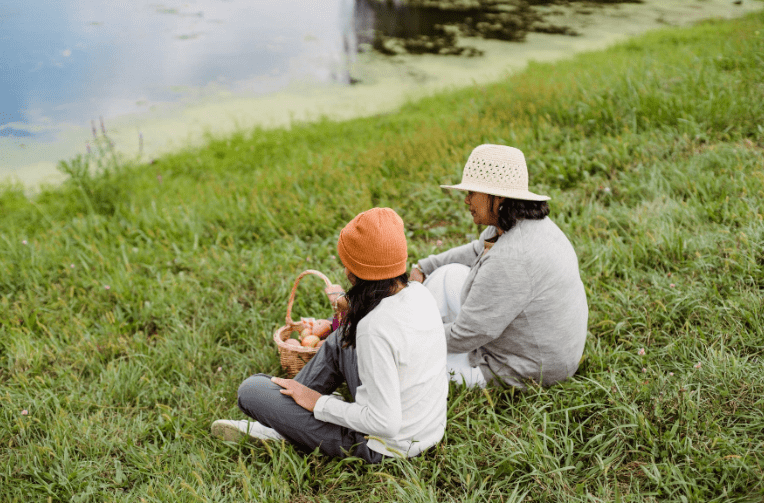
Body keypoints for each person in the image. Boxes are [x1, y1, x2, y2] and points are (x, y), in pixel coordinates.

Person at [211, 207, 448, 463]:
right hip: (426, 429)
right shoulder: (418, 293)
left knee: (251, 391)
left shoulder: (374, 327)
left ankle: (282, 428)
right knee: (341, 337)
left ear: (352, 271)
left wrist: (317, 403)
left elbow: (384, 423)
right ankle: (290, 419)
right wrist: (347, 304)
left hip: (384, 447)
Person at [409, 144, 588, 389]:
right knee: (446, 274)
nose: (466, 200)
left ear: (499, 196)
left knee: (412, 369)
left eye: (472, 192)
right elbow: (476, 249)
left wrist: (408, 338)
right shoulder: (522, 224)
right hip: (537, 345)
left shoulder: (511, 259)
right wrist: (425, 266)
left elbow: (465, 335)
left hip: (527, 368)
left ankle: (395, 332)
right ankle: (403, 321)